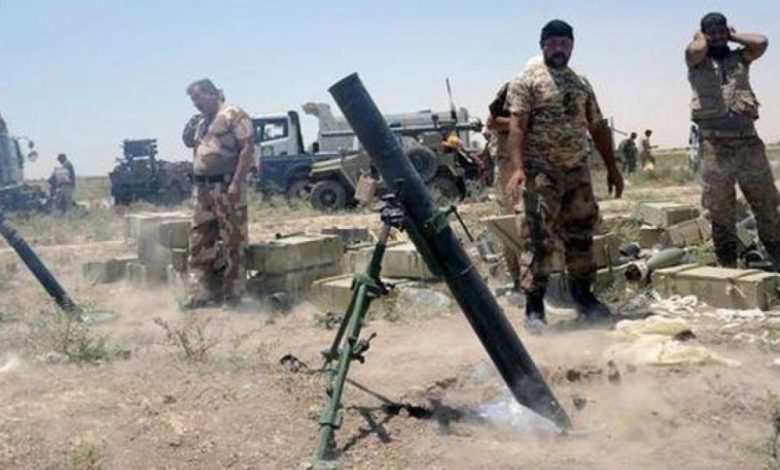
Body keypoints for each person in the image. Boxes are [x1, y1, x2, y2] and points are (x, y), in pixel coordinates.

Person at [505, 19, 624, 331]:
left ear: (572, 46)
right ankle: (534, 309)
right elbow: (517, 128)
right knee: (537, 239)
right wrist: (518, 168)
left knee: (581, 236)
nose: (559, 48)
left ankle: (584, 298)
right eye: (553, 43)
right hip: (540, 174)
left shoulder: (580, 83)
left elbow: (597, 127)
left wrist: (612, 168)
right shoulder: (526, 81)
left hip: (576, 173)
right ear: (542, 45)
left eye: (564, 43)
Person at [686, 12, 780, 269]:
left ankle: (776, 257)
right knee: (720, 209)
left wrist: (732, 35)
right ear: (704, 34)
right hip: (715, 146)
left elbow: (761, 42)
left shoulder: (740, 58)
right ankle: (727, 265)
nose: (717, 36)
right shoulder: (696, 60)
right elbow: (696, 49)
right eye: (712, 32)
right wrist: (701, 37)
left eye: (721, 31)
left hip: (748, 143)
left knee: (767, 204)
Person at [182, 79, 255, 309]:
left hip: (226, 187)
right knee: (199, 242)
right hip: (203, 189)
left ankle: (233, 295)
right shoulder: (202, 122)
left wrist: (236, 183)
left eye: (198, 97)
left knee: (233, 241)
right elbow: (189, 143)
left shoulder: (233, 115)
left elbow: (247, 148)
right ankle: (198, 294)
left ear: (212, 93)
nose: (196, 103)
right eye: (193, 100)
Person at [486, 82, 524, 289]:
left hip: (536, 162)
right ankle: (517, 277)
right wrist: (520, 123)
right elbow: (492, 123)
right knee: (512, 220)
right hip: (509, 163)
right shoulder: (513, 89)